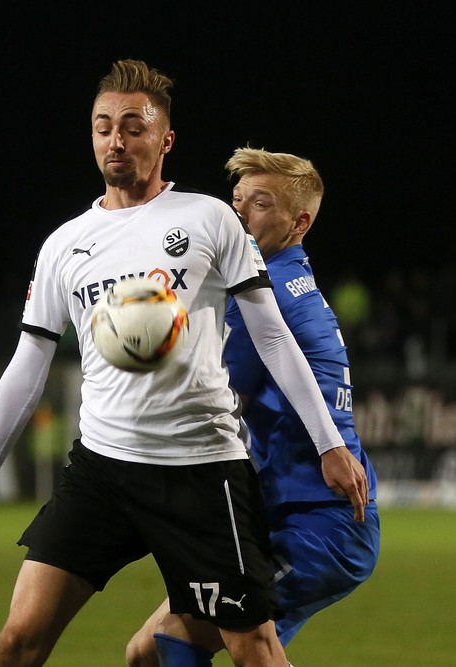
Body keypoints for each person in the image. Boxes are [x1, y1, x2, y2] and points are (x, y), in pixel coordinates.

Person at [0, 61, 368, 667]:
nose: (116, 140)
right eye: (103, 126)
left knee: (254, 648)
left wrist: (329, 444)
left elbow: (274, 339)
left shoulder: (209, 219)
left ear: (164, 140)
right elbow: (26, 366)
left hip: (200, 471)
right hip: (102, 469)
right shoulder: (65, 244)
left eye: (133, 127)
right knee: (17, 640)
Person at [126, 148, 380, 667]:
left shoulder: (263, 297)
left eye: (260, 204)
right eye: (237, 200)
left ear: (299, 222)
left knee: (170, 643)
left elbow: (211, 393)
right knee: (144, 653)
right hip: (286, 518)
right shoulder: (284, 281)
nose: (239, 214)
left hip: (319, 527)